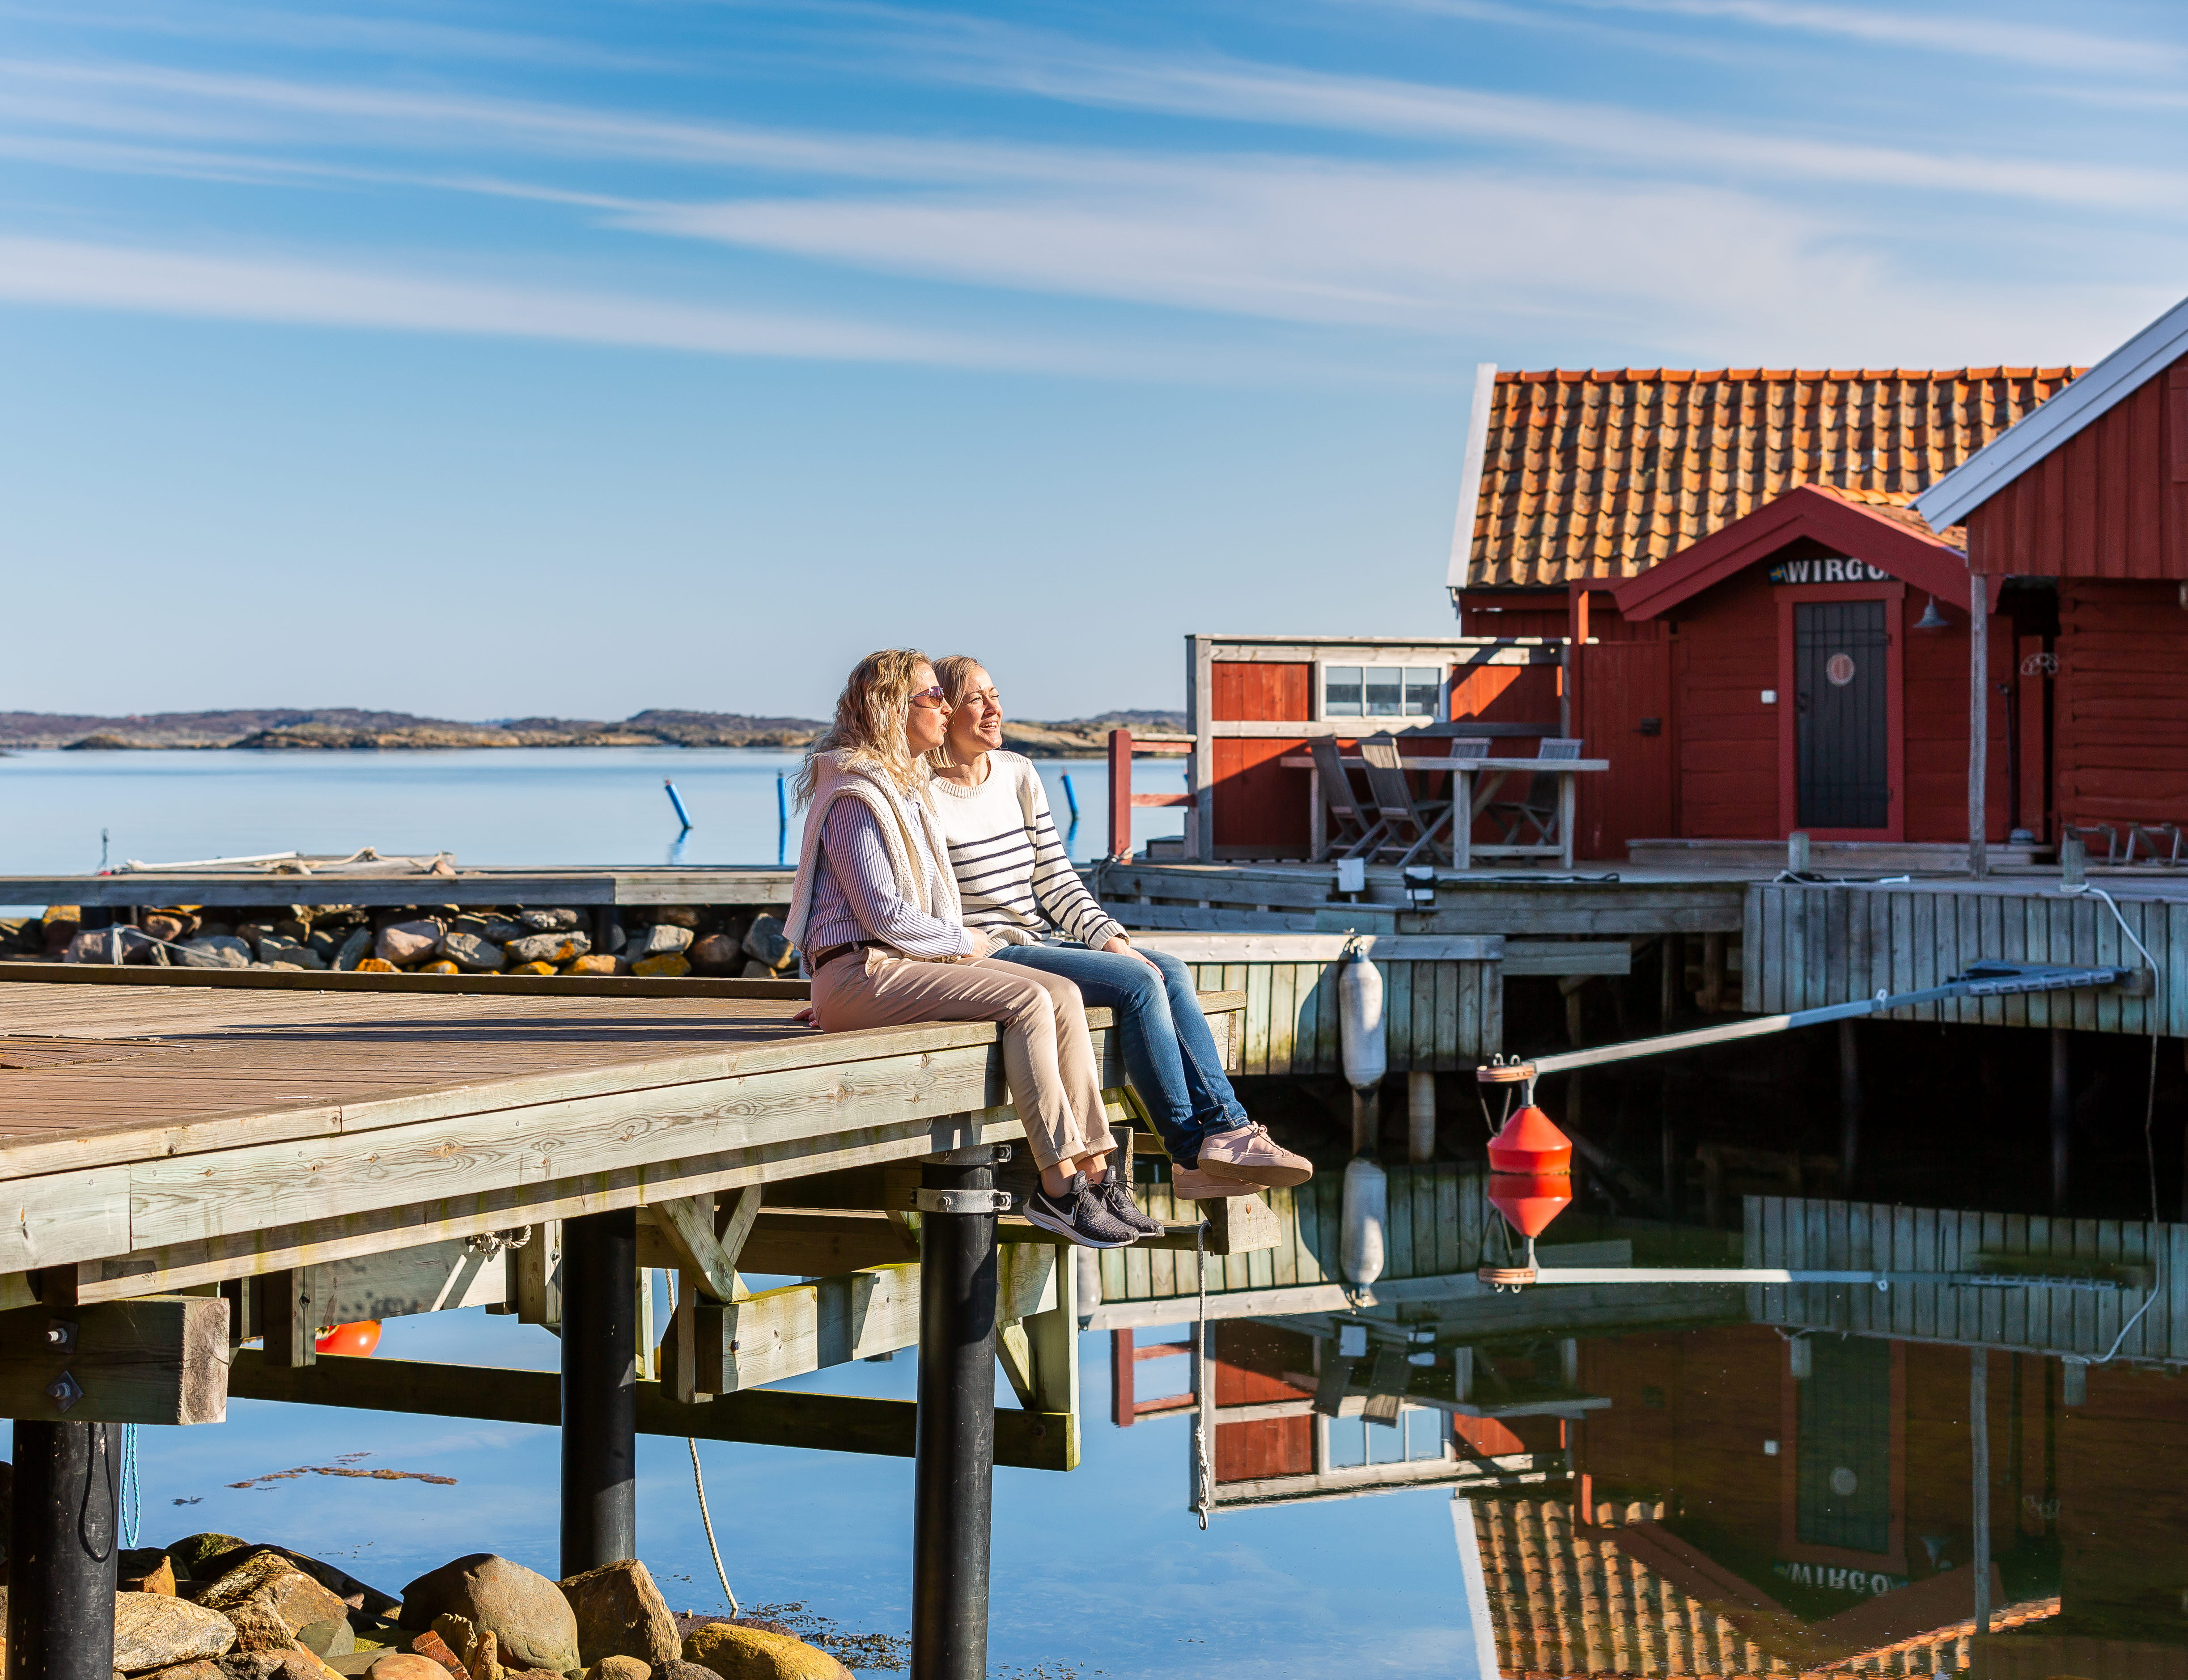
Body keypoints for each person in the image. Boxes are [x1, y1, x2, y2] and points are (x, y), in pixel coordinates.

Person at [784, 648, 1160, 1249]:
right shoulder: (857, 794)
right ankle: (1058, 1188)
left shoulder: (899, 786)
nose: (944, 707)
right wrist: (966, 941)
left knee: (1059, 992)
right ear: (892, 710)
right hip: (863, 973)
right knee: (1030, 1003)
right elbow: (883, 914)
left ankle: (1096, 1170)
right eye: (933, 696)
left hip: (889, 972)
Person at [925, 655, 1313, 1200]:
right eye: (976, 699)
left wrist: (1114, 941)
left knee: (1165, 968)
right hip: (985, 956)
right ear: (943, 711)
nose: (994, 709)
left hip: (1033, 942)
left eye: (995, 694)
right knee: (1137, 985)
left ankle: (1224, 1131)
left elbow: (1056, 880)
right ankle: (1190, 1153)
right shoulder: (920, 794)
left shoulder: (1016, 773)